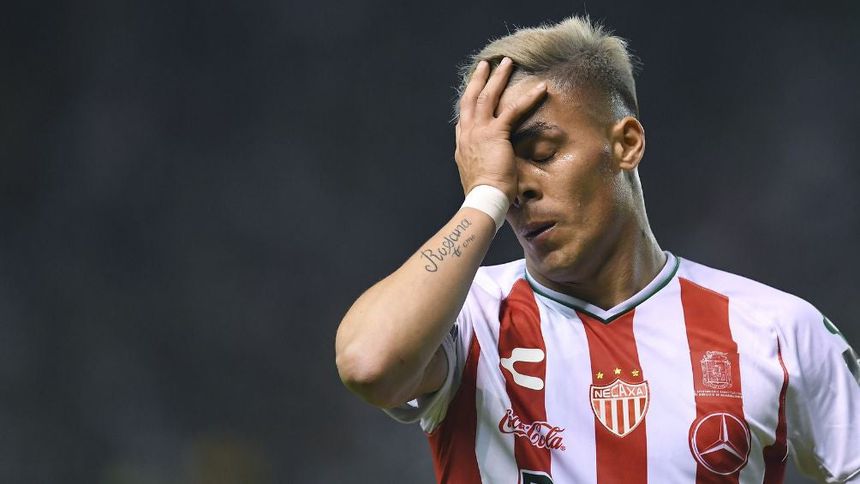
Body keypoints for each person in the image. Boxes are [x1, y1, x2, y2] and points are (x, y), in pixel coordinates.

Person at [334, 15, 860, 484]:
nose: (518, 188)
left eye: (542, 152)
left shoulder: (777, 330)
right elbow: (368, 364)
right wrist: (483, 198)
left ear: (626, 144)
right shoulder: (470, 317)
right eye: (500, 171)